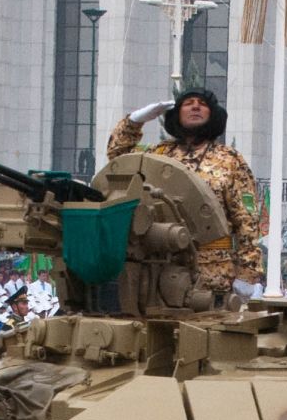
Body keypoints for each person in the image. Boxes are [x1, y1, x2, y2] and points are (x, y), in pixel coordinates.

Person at [107, 87, 266, 295]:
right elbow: (118, 157)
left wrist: (247, 274)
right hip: (160, 266)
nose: (195, 107)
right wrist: (135, 121)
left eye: (202, 104)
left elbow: (247, 221)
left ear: (213, 114)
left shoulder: (229, 160)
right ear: (177, 114)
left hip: (213, 273)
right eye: (188, 103)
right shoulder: (160, 154)